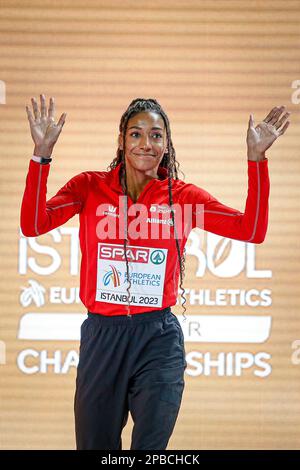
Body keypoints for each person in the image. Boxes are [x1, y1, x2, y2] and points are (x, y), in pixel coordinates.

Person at [20, 95, 291, 450]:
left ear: (167, 143)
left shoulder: (182, 198)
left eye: (156, 135)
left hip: (158, 338)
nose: (146, 143)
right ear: (121, 140)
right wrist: (41, 156)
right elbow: (33, 224)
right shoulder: (89, 187)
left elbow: (251, 230)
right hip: (103, 336)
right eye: (136, 134)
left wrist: (257, 160)